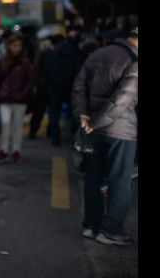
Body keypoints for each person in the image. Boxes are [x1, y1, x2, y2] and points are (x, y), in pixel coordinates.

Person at [72, 27, 138, 246]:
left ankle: (91, 226)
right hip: (121, 131)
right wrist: (96, 122)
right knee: (119, 180)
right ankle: (110, 231)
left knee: (93, 176)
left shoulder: (99, 53)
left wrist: (83, 116)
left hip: (93, 129)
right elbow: (122, 100)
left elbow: (78, 84)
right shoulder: (134, 61)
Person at [0, 34, 35, 164]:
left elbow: (31, 80)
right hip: (4, 99)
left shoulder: (26, 62)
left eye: (19, 46)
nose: (16, 48)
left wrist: (24, 93)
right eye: (14, 45)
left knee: (17, 126)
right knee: (5, 123)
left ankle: (16, 150)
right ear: (9, 46)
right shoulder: (2, 61)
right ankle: (3, 150)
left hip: (20, 100)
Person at [43, 29, 86, 146]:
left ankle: (55, 137)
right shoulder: (79, 53)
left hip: (55, 88)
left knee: (54, 112)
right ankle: (73, 139)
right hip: (71, 89)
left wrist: (49, 86)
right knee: (73, 114)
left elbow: (47, 70)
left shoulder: (55, 52)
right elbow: (81, 73)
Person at [28, 35, 64, 139]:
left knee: (45, 111)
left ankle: (45, 131)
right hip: (47, 88)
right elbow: (37, 70)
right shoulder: (47, 53)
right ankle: (39, 131)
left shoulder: (45, 53)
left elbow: (36, 69)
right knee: (44, 111)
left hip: (48, 87)